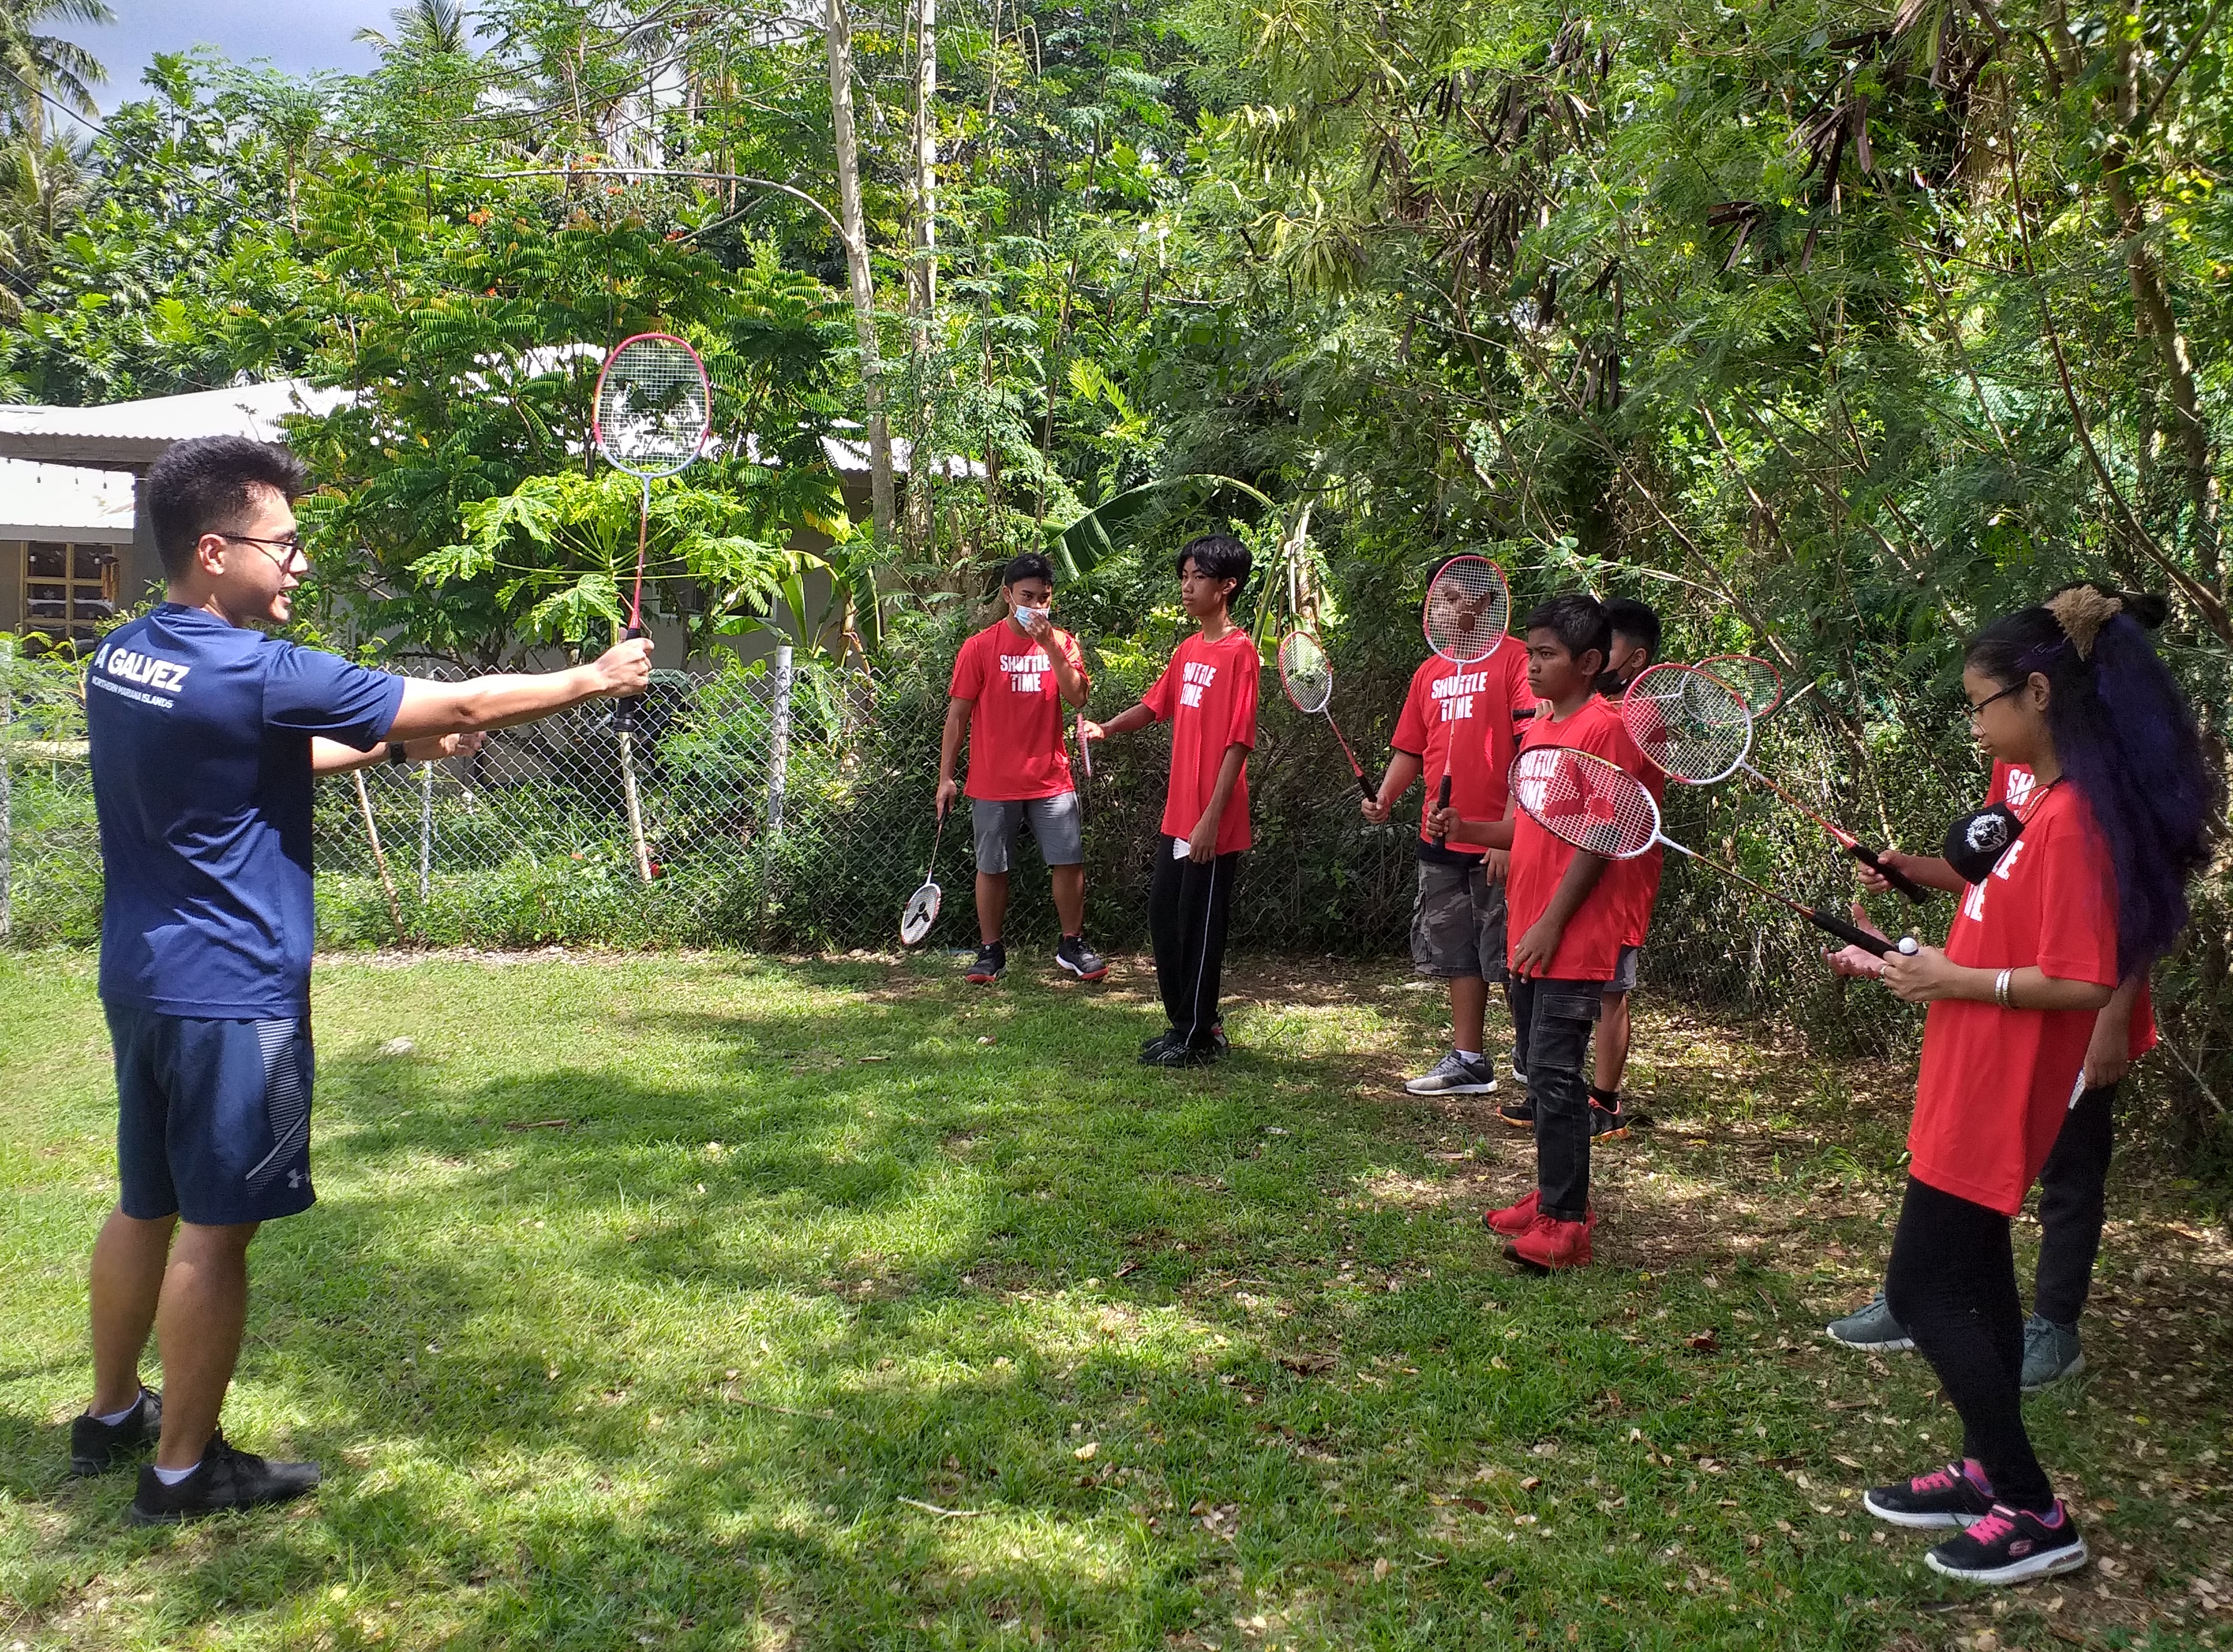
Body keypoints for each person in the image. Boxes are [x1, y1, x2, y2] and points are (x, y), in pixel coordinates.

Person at [76, 435, 653, 1524]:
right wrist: (590, 677)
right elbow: (464, 706)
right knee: (213, 1229)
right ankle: (183, 1470)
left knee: (143, 1201)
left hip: (143, 975)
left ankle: (111, 1414)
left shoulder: (124, 657)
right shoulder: (253, 666)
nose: (296, 563)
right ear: (213, 550)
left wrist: (382, 750)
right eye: (281, 544)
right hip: (233, 989)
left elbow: (254, 756)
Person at [1846, 586, 2214, 1586]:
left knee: (1923, 1287)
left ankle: (2031, 1504)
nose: (1974, 724)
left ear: (2038, 693)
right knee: (1975, 1280)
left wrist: (1952, 979)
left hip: (2002, 1088)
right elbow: (1990, 935)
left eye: (1980, 703)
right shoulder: (2033, 804)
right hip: (1964, 1068)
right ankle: (1985, 1468)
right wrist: (1897, 960)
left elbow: (2085, 976)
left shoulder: (2079, 823)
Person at [1432, 595, 1648, 1269]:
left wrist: (1553, 922)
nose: (1531, 665)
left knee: (1556, 1074)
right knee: (1539, 1069)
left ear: (1588, 663)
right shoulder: (1539, 731)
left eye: (1546, 654)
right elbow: (1530, 829)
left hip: (1570, 936)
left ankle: (1565, 1223)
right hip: (1529, 928)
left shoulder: (1602, 728)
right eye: (1529, 652)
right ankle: (1556, 1193)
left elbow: (1603, 834)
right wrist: (1466, 829)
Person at [1085, 535, 1259, 1067]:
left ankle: (1200, 1034)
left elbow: (1238, 741)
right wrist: (1106, 729)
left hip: (1213, 822)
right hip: (1178, 816)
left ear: (1226, 587)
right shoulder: (1188, 650)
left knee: (1201, 927)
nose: (1187, 586)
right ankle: (1184, 1024)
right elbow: (1154, 705)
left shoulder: (1241, 652)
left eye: (1198, 577)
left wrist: (1211, 819)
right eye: (1184, 576)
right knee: (1166, 918)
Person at [1363, 559, 1532, 1096]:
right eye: (1438, 598)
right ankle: (1469, 1060)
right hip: (1440, 836)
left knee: (1511, 955)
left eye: (1455, 596)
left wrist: (1508, 830)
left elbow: (1533, 749)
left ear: (1483, 604)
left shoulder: (1515, 661)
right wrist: (1387, 796)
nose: (1443, 606)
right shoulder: (1429, 672)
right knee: (1458, 953)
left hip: (1499, 840)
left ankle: (1531, 1059)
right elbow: (1411, 748)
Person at [936, 553, 1106, 985]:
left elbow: (1079, 698)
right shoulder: (979, 647)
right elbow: (957, 716)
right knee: (991, 866)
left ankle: (1072, 945)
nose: (1036, 605)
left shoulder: (1063, 643)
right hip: (993, 779)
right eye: (1027, 596)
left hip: (1051, 778)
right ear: (1007, 595)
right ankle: (990, 951)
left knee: (1069, 861)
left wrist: (1049, 645)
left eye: (1044, 598)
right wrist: (946, 777)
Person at [1589, 597, 1662, 1139]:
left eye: (1605, 645)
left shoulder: (1643, 715)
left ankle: (1605, 1101)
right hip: (1570, 871)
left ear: (1634, 659)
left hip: (1621, 874)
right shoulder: (1586, 709)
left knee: (1612, 989)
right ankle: (1557, 1091)